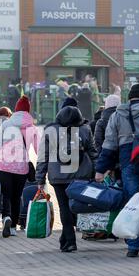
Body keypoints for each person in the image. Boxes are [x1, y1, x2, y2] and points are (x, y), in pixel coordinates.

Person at [95, 83, 139, 257]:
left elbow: (109, 144)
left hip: (129, 160)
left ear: (130, 97)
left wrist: (101, 169)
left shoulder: (118, 114)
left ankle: (133, 245)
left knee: (133, 201)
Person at [36, 105, 97, 252]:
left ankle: (69, 240)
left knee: (64, 207)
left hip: (59, 177)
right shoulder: (84, 130)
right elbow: (93, 153)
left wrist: (40, 179)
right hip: (81, 176)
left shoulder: (50, 131)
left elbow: (42, 157)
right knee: (74, 207)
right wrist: (98, 172)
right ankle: (67, 239)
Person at [0, 96, 39, 238]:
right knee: (17, 197)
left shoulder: (5, 125)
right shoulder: (32, 128)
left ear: (15, 110)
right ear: (28, 111)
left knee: (5, 195)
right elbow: (39, 150)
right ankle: (13, 228)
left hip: (3, 166)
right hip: (21, 168)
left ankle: (6, 217)